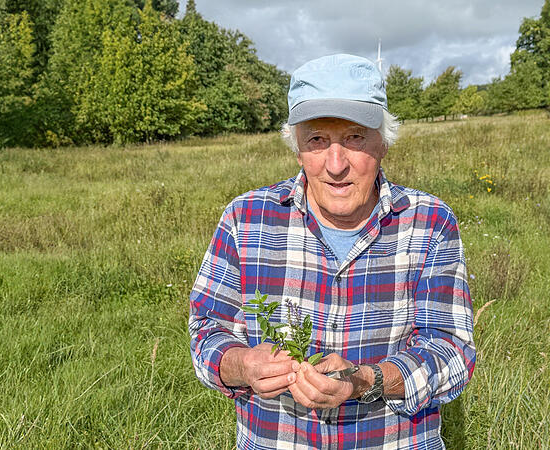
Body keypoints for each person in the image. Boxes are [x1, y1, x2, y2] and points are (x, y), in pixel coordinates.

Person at [189, 54, 475, 449]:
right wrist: (241, 365)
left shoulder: (429, 223)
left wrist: (364, 381)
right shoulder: (246, 218)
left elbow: (452, 352)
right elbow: (207, 330)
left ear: (384, 142)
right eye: (317, 140)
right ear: (297, 148)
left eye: (355, 137)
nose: (335, 164)